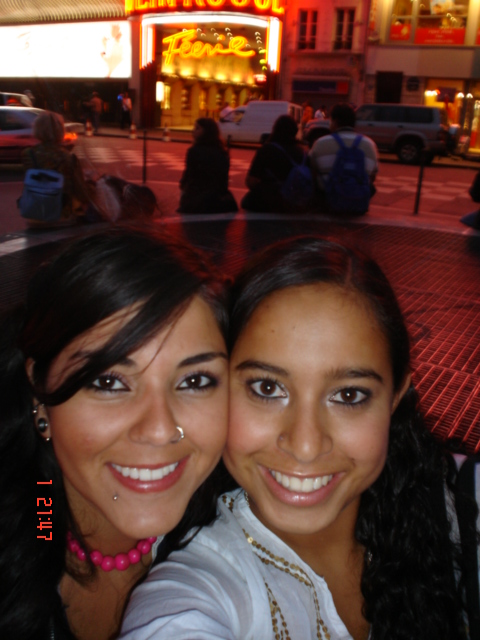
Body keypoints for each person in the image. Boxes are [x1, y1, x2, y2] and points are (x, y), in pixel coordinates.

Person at [121, 235, 470, 639]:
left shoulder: (460, 504)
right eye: (268, 388)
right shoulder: (197, 593)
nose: (305, 445)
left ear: (395, 397)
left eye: (349, 395)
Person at [0, 225, 229, 640]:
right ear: (40, 395)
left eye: (195, 381)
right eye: (108, 382)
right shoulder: (36, 518)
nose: (159, 430)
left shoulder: (243, 534)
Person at [21, 110, 93, 227]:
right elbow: (81, 193)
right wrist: (92, 187)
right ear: (60, 131)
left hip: (34, 215)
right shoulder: (68, 157)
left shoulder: (28, 154)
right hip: (61, 217)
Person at [309, 103, 378, 214]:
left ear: (335, 122)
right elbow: (373, 176)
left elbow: (311, 169)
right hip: (358, 204)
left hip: (328, 203)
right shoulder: (370, 144)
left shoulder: (321, 143)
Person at [241, 114, 309, 213]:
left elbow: (251, 181)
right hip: (296, 203)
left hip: (270, 202)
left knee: (246, 201)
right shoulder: (303, 153)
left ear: (275, 130)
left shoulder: (267, 150)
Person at [177, 117, 238, 214]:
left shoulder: (194, 151)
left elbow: (190, 176)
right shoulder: (222, 152)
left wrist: (183, 185)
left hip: (199, 199)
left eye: (197, 128)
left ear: (206, 131)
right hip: (219, 199)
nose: (193, 131)